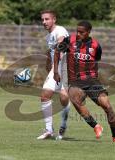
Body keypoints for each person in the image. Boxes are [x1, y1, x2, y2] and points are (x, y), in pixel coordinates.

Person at [54, 21, 115, 143]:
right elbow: (57, 51)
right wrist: (55, 71)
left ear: (88, 32)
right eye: (77, 31)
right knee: (76, 101)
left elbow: (96, 60)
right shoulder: (69, 41)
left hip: (92, 81)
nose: (78, 34)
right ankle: (96, 126)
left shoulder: (95, 45)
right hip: (75, 81)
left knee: (107, 106)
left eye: (82, 32)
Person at [37, 10, 70, 140]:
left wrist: (60, 52)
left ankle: (63, 124)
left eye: (47, 19)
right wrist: (49, 63)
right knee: (45, 95)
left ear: (54, 19)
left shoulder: (60, 30)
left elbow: (61, 42)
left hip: (65, 68)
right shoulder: (48, 37)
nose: (44, 22)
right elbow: (51, 51)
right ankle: (49, 130)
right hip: (56, 68)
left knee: (64, 98)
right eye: (43, 20)